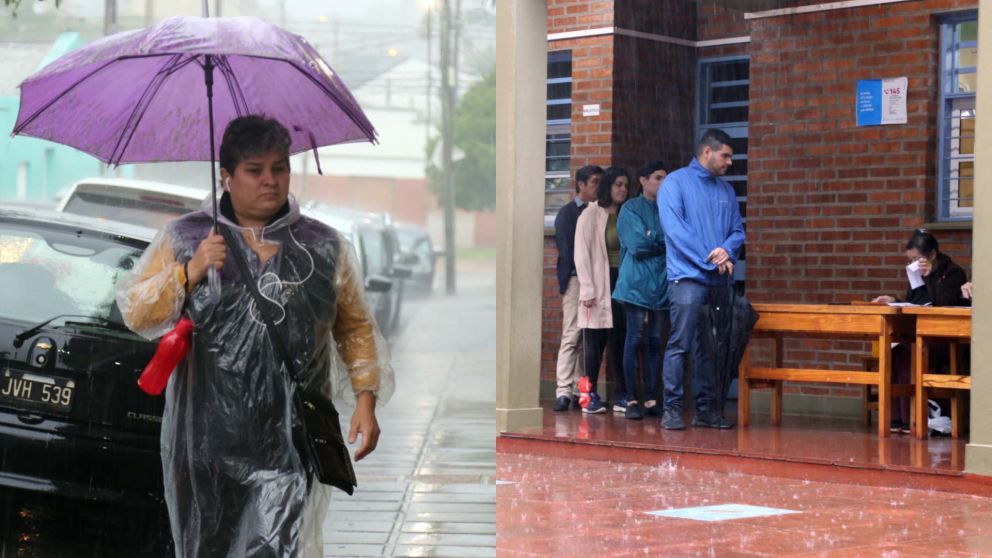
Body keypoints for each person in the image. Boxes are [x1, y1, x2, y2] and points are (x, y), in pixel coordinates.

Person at [116, 115, 394, 557]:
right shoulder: (187, 238)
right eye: (255, 170)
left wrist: (365, 398)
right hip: (204, 441)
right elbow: (137, 311)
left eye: (279, 168)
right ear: (226, 176)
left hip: (288, 444)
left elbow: (355, 326)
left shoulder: (323, 247)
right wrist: (190, 271)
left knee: (268, 550)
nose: (270, 180)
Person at [658, 129, 744, 430]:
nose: (730, 162)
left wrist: (727, 250)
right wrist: (713, 258)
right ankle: (672, 409)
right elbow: (675, 232)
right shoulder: (675, 183)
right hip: (687, 278)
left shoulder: (726, 190)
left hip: (718, 281)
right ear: (707, 152)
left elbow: (737, 231)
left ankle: (706, 411)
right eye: (725, 156)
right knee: (680, 343)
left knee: (711, 347)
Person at [871, 229, 967, 433]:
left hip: (942, 338)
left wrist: (929, 275)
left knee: (909, 355)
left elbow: (941, 303)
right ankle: (895, 417)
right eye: (910, 260)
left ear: (931, 254)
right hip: (918, 333)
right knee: (894, 354)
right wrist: (895, 301)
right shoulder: (916, 274)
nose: (913, 264)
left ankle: (911, 417)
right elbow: (915, 303)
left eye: (917, 259)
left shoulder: (952, 273)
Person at [613, 161, 670, 420]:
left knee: (655, 342)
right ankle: (630, 398)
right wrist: (660, 240)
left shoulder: (668, 208)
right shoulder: (630, 208)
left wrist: (652, 236)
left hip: (660, 284)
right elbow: (637, 245)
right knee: (634, 339)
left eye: (665, 178)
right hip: (635, 284)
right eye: (658, 178)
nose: (663, 183)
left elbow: (676, 240)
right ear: (643, 181)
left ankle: (651, 398)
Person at [574, 166, 629, 413]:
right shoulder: (590, 214)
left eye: (626, 185)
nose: (623, 189)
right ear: (608, 186)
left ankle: (621, 395)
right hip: (598, 283)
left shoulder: (627, 213)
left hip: (622, 283)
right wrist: (587, 289)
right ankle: (588, 397)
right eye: (618, 184)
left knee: (620, 340)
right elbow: (581, 254)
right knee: (593, 345)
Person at [552, 165, 603, 412]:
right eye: (594, 182)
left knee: (587, 338)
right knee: (572, 334)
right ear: (581, 184)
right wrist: (586, 276)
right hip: (575, 280)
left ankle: (579, 389)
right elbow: (568, 251)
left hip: (597, 281)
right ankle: (563, 390)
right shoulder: (567, 214)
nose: (598, 187)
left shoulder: (601, 212)